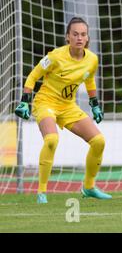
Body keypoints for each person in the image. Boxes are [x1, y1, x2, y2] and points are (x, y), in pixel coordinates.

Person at [14, 17, 112, 204]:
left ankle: (89, 187)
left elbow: (89, 80)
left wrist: (95, 104)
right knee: (51, 140)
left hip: (68, 106)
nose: (79, 38)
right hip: (45, 103)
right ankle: (41, 192)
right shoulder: (55, 56)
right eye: (75, 34)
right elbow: (33, 76)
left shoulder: (92, 59)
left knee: (99, 141)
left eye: (83, 34)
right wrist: (25, 101)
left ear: (87, 37)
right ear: (67, 37)